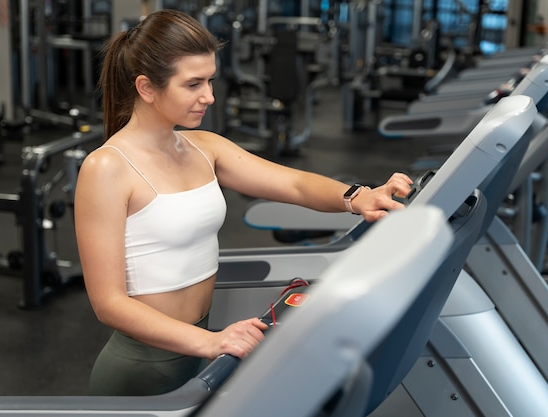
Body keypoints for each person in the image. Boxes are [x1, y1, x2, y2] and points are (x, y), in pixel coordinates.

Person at [74, 8, 413, 397]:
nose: (209, 96)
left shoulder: (204, 147)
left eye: (211, 81)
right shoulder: (107, 168)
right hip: (138, 370)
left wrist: (358, 198)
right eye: (193, 84)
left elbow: (296, 184)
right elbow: (108, 303)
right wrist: (210, 343)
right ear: (147, 88)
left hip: (193, 350)